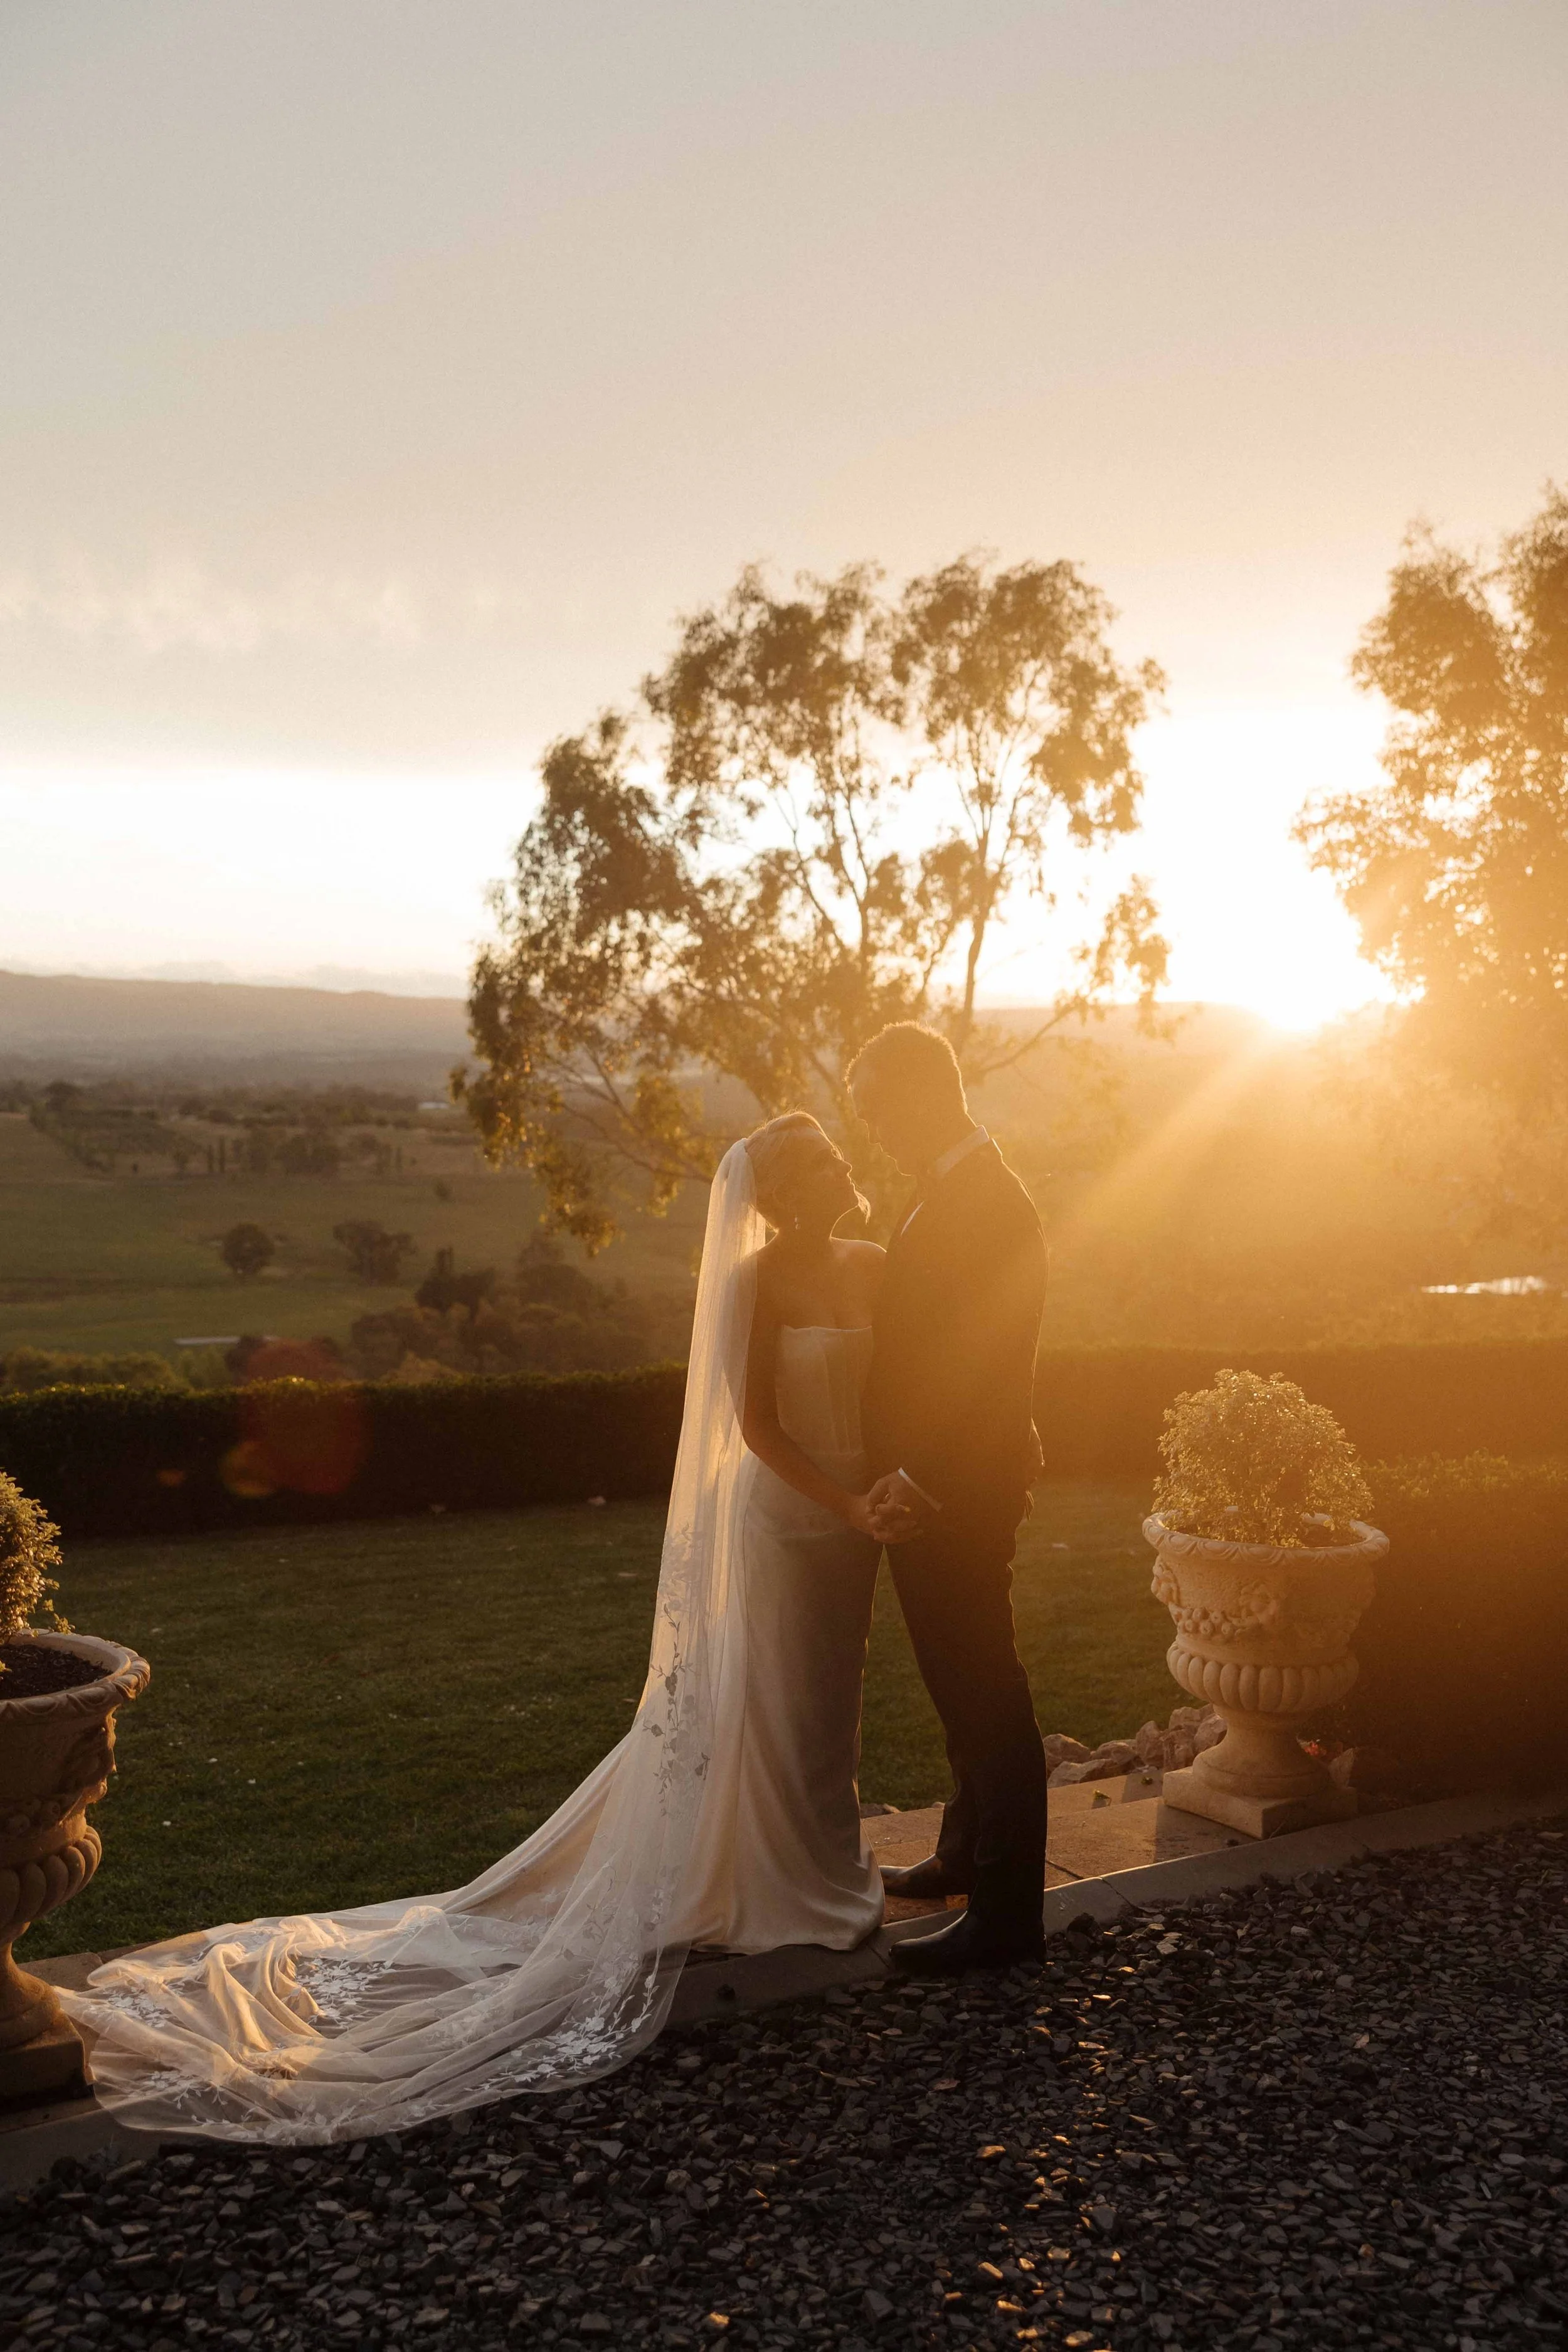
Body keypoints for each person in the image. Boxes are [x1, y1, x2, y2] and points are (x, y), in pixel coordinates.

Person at [61, 1115, 901, 2144]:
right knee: (778, 1698)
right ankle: (788, 1890)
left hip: (861, 1520)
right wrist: (845, 1500)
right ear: (783, 1193)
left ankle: (822, 1861)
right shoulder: (753, 1281)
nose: (843, 1166)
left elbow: (903, 1388)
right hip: (789, 1518)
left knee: (830, 1701)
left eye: (835, 1151)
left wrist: (884, 1489)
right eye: (820, 1160)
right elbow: (757, 1428)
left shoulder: (875, 1261)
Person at [849, 1020, 1050, 1976]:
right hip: (945, 1482)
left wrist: (924, 1476)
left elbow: (987, 1358)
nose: (876, 1132)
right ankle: (966, 1854)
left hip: (954, 1493)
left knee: (987, 1691)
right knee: (956, 1685)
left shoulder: (990, 1201)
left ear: (927, 1091)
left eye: (880, 1109)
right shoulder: (948, 1191)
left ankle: (1008, 1915)